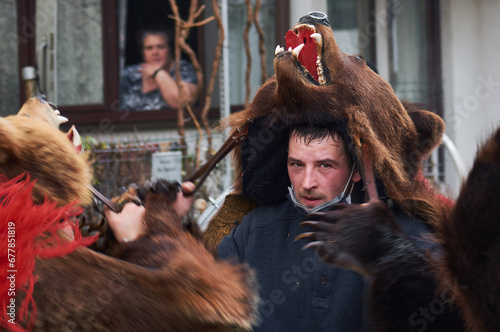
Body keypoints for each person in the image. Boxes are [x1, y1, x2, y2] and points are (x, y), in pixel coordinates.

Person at [215, 124, 446, 331]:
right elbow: (200, 293)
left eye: (325, 165)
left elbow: (453, 313)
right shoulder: (255, 229)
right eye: (296, 164)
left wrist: (391, 251)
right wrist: (178, 224)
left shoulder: (406, 232)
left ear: (356, 170)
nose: (307, 183)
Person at [119, 29, 198, 110]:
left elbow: (182, 102)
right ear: (142, 52)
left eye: (161, 47)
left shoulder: (182, 68)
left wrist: (158, 73)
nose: (155, 52)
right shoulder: (130, 74)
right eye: (149, 48)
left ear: (170, 49)